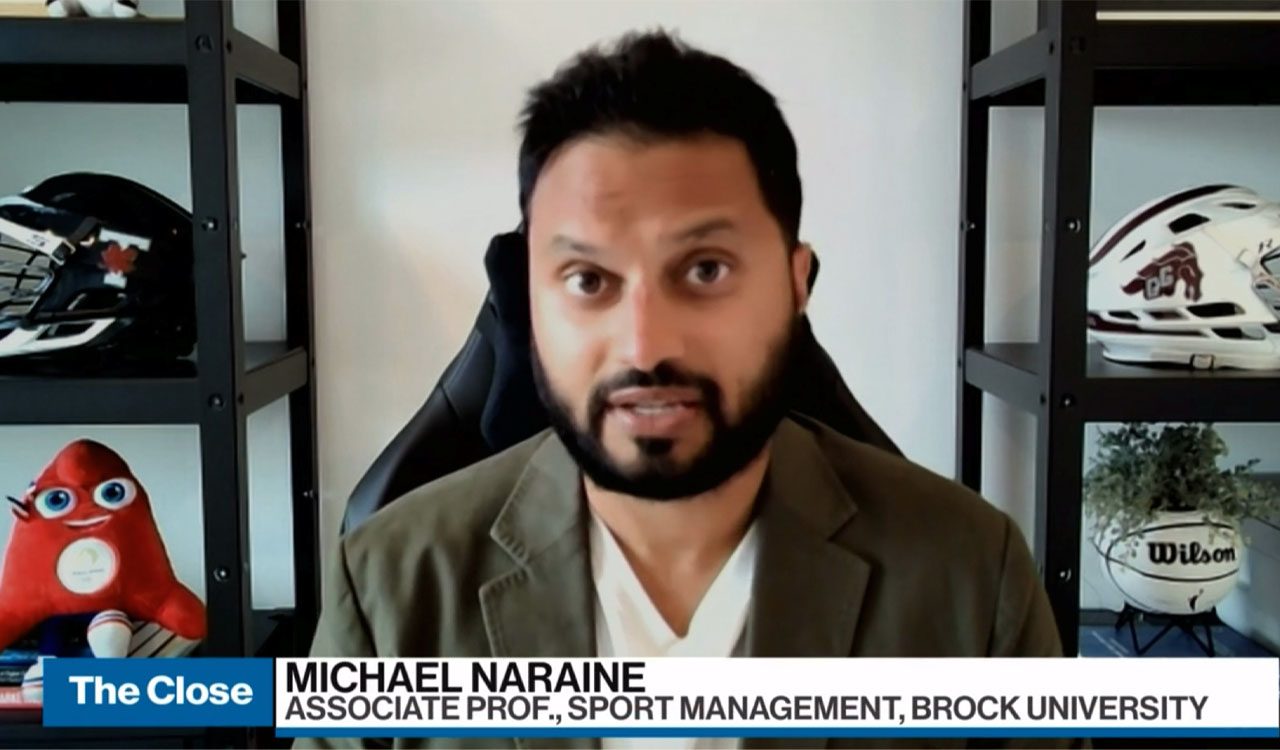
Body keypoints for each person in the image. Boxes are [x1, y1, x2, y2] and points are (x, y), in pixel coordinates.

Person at [300, 29, 1065, 750]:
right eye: (589, 279)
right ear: (532, 302)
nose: (646, 345)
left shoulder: (973, 577)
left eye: (705, 271)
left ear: (797, 285)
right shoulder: (386, 591)